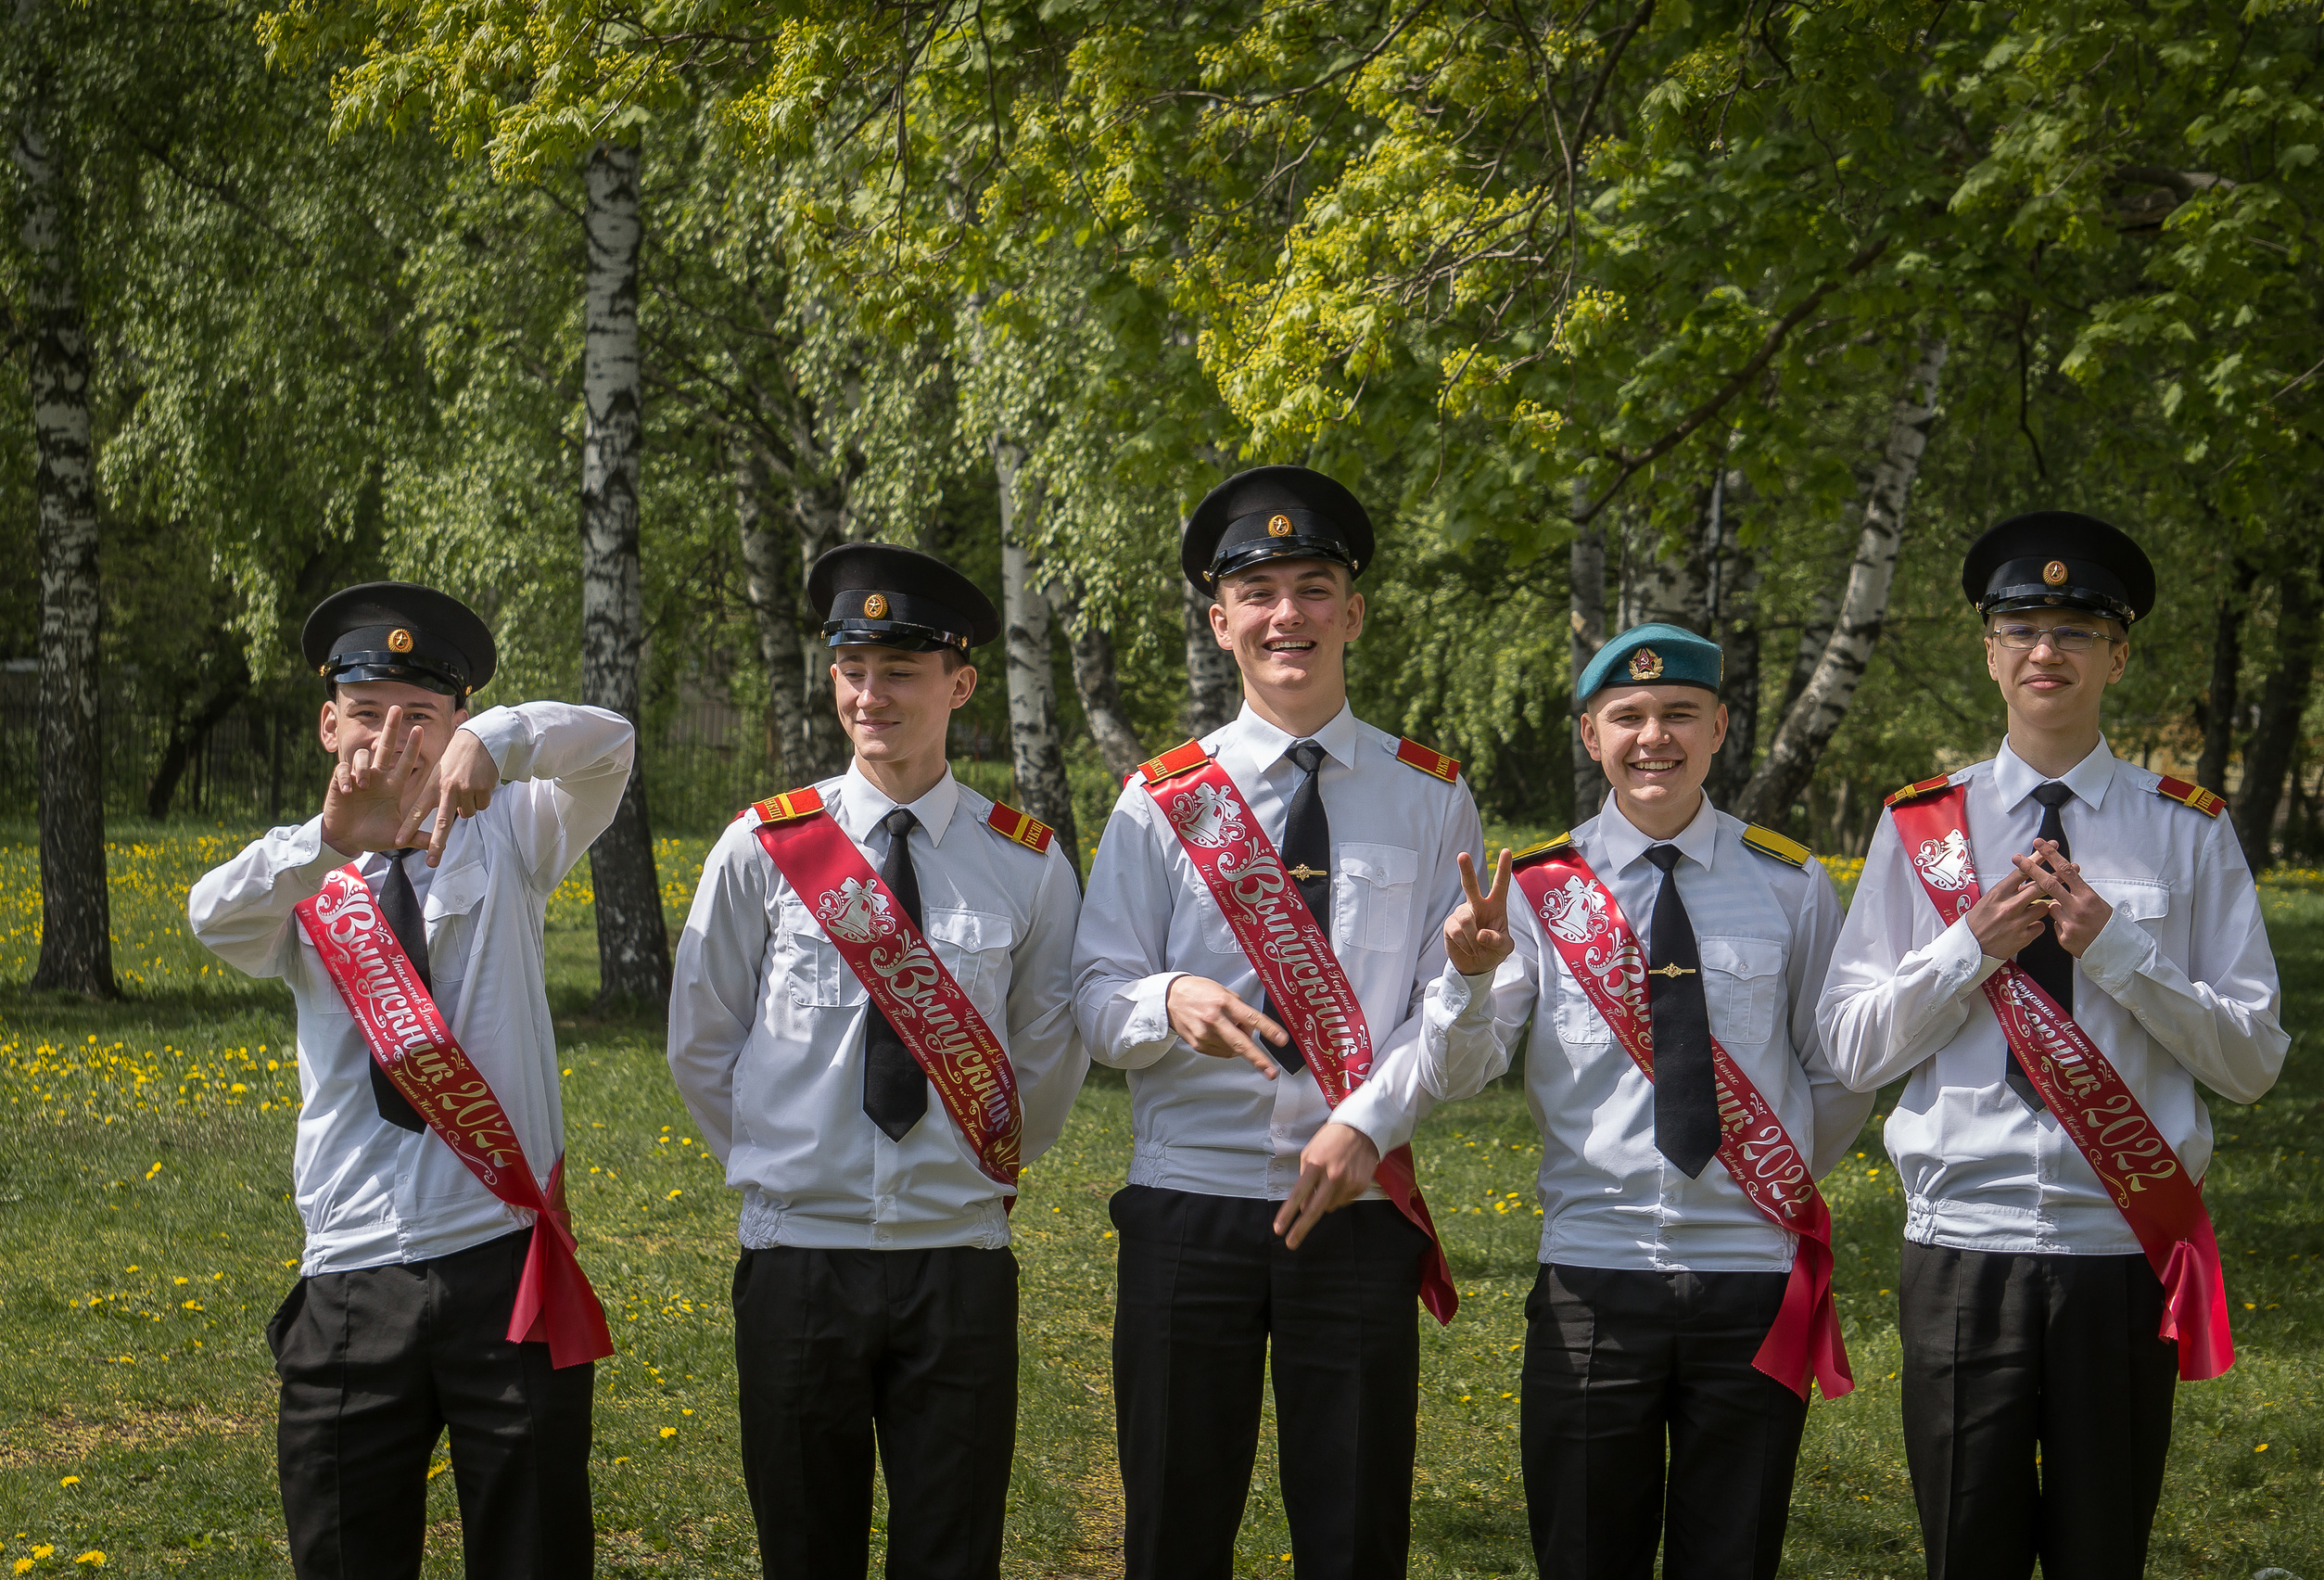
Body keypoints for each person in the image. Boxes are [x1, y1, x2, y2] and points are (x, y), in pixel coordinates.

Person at [1819, 512, 2290, 1580]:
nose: (2046, 650)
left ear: (2116, 655)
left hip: (2120, 1253)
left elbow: (2253, 1062)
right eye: (2021, 626)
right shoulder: (1918, 828)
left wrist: (2118, 953)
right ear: (1987, 651)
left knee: (2100, 1552)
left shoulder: (2189, 829)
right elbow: (1849, 1050)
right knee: (1966, 1553)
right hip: (1962, 1246)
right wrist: (1966, 948)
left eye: (2076, 628)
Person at [1073, 465, 1498, 1580]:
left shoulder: (1430, 795)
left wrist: (1369, 1123)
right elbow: (1092, 995)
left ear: (1352, 614)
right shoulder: (1163, 798)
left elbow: (1444, 1024)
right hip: (1189, 1208)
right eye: (1258, 594)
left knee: (1355, 1531)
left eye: (1313, 588)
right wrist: (1164, 1000)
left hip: (1355, 1205)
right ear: (1222, 625)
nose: (1287, 616)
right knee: (1172, 1523)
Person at [188, 581, 632, 1580]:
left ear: (456, 726)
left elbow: (610, 745)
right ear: (326, 722)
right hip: (351, 1273)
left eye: (424, 716)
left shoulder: (514, 835)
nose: (396, 738)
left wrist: (507, 739)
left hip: (504, 1259)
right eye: (370, 712)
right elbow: (211, 919)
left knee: (534, 1553)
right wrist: (330, 841)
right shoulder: (302, 876)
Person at [1408, 621, 1869, 1580]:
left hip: (1751, 1278)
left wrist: (1768, 1182)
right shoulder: (1536, 890)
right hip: (1593, 1277)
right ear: (1590, 735)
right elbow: (1459, 1074)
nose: (1652, 736)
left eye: (1677, 714)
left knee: (1731, 1559)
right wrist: (1465, 981)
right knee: (1583, 1554)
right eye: (1627, 716)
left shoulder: (1791, 885)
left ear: (1718, 728)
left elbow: (1837, 1072)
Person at [667, 542, 1086, 1580]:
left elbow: (1047, 1050)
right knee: (803, 1549)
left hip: (959, 1263)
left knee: (953, 1552)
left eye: (899, 671)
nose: (870, 695)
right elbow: (703, 1042)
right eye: (852, 669)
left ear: (961, 682)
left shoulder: (1024, 860)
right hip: (799, 1259)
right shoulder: (764, 849)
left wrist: (970, 1173)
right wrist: (790, 1160)